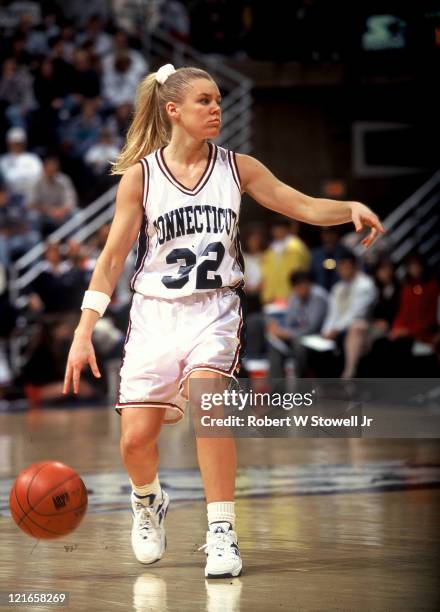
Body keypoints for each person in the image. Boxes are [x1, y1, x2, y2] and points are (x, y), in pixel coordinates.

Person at [62, 64, 383, 579]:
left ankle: (221, 531)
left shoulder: (239, 167)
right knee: (136, 441)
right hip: (153, 314)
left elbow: (299, 203)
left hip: (214, 308)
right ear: (174, 110)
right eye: (204, 101)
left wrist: (348, 208)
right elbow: (111, 259)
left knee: (212, 402)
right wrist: (83, 331)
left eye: (218, 101)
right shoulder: (141, 178)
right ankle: (148, 501)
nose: (217, 109)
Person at [266, 271, 328, 378]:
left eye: (303, 285)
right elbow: (289, 322)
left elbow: (313, 328)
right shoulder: (294, 297)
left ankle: (301, 381)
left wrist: (287, 334)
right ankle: (276, 387)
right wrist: (277, 328)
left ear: (309, 284)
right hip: (298, 335)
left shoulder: (318, 297)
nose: (300, 289)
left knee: (298, 343)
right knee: (275, 345)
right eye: (296, 286)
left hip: (319, 337)